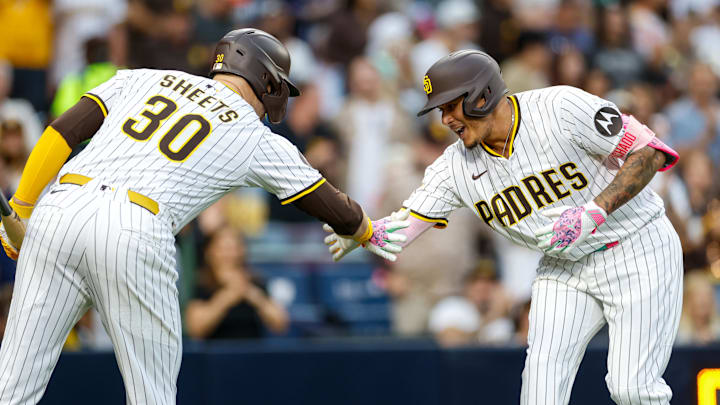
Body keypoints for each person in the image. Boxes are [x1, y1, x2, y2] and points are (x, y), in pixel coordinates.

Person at [0, 29, 408, 404]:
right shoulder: (251, 132)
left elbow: (61, 131)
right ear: (268, 82)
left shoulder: (142, 77)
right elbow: (332, 205)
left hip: (58, 207)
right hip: (135, 226)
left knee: (12, 387)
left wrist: (21, 205)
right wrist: (364, 230)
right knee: (152, 396)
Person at [325, 50, 683, 404]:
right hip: (564, 267)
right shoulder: (455, 166)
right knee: (540, 394)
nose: (445, 119)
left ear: (482, 95)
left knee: (632, 388)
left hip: (637, 245)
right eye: (441, 109)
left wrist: (595, 211)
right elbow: (404, 225)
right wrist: (362, 230)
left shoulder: (560, 106)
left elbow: (650, 152)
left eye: (451, 105)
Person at [185, 226, 289, 339]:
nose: (229, 254)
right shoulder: (203, 284)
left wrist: (252, 295)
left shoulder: (254, 281)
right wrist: (227, 297)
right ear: (209, 252)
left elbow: (280, 324)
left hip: (252, 352)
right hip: (214, 354)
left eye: (234, 248)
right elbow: (195, 330)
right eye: (223, 248)